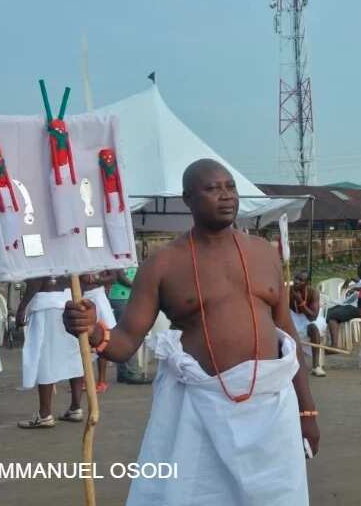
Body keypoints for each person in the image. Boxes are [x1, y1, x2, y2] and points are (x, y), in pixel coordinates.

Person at [63, 159, 317, 505]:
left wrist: (307, 411)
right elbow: (123, 344)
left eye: (230, 187)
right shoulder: (163, 264)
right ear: (187, 199)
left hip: (272, 409)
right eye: (213, 189)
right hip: (199, 412)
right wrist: (92, 331)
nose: (226, 196)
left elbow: (287, 335)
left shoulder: (263, 254)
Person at [16, 276, 85, 428]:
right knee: (73, 355)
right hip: (68, 299)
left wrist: (22, 308)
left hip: (47, 305)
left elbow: (39, 275)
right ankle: (75, 407)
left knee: (45, 357)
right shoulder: (70, 251)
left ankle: (45, 414)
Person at [108, 267, 151, 384]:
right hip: (121, 297)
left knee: (124, 334)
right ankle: (132, 372)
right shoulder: (121, 255)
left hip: (126, 296)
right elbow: (120, 276)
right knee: (128, 335)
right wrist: (138, 287)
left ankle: (124, 372)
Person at [81, 272, 118, 393]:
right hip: (79, 297)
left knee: (102, 339)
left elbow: (113, 276)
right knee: (80, 341)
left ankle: (101, 381)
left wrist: (96, 278)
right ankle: (84, 380)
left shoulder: (99, 254)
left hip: (98, 297)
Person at [290, 270, 328, 377]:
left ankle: (316, 366)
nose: (297, 282)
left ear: (307, 283)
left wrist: (300, 301)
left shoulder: (313, 293)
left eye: (301, 280)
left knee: (314, 329)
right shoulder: (288, 291)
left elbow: (313, 317)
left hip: (309, 319)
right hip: (292, 318)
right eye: (296, 278)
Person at [324, 263, 361, 348]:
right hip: (352, 305)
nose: (357, 272)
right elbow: (359, 284)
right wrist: (353, 282)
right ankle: (336, 342)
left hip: (358, 308)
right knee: (329, 312)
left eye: (359, 270)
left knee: (331, 315)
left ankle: (334, 345)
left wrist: (355, 288)